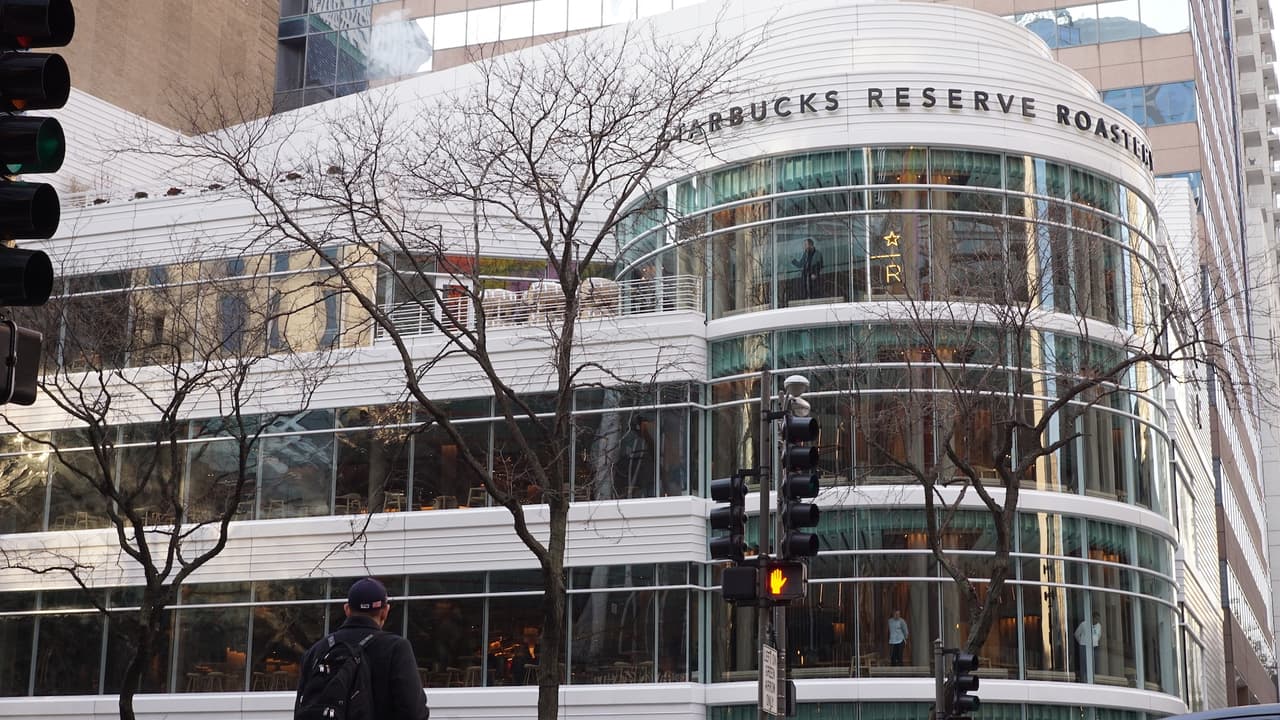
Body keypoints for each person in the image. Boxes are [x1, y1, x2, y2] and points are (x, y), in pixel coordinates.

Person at [296, 578, 429, 719]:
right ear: (385, 611)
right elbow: (414, 713)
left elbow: (301, 708)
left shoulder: (315, 652)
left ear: (347, 609)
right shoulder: (396, 648)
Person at [1074, 612, 1101, 681]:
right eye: (1096, 619)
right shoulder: (1084, 624)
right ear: (1092, 618)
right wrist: (1082, 642)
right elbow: (1076, 634)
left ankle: (1093, 679)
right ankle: (1083, 679)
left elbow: (1099, 635)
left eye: (1098, 619)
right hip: (1084, 647)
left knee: (1094, 664)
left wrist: (1095, 641)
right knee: (1084, 664)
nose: (1097, 621)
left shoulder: (1098, 626)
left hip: (1094, 647)